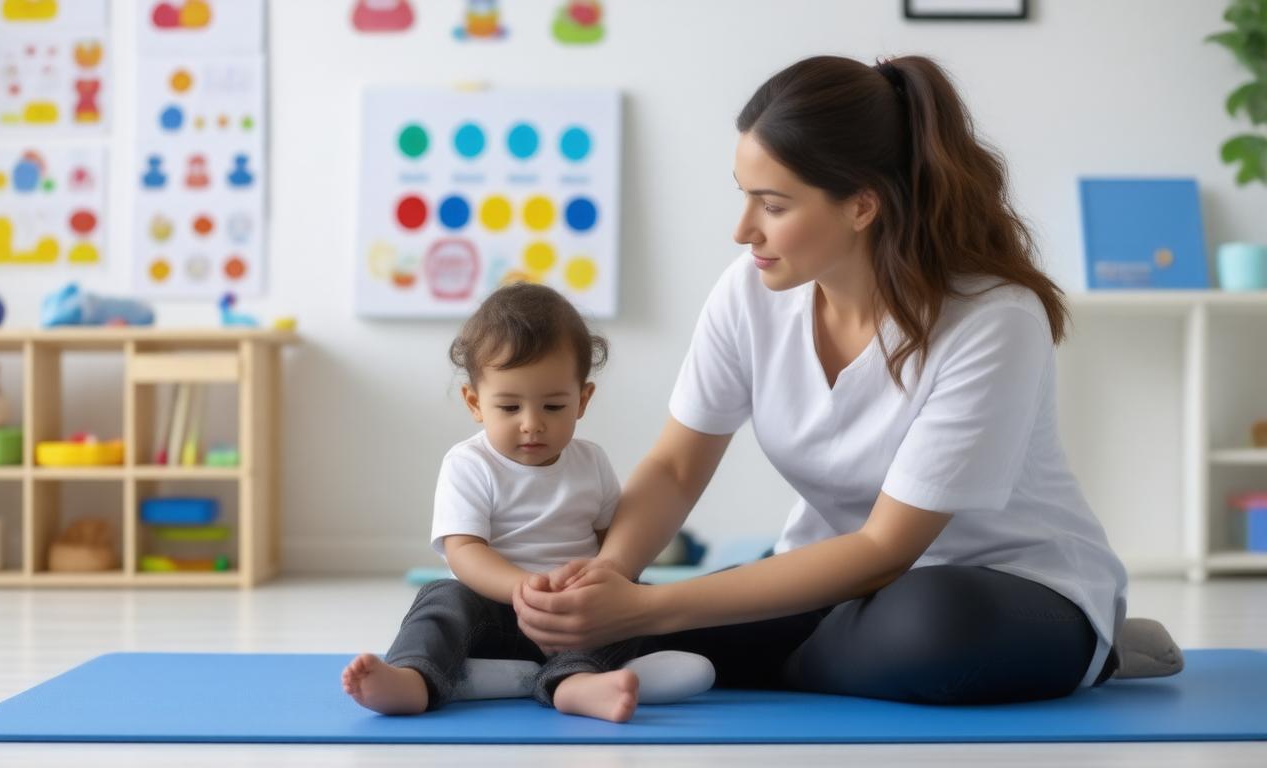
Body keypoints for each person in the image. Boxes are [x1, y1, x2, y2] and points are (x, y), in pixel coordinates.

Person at [510, 55, 1178, 705]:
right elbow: (678, 465)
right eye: (744, 196)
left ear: (862, 205)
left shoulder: (993, 319)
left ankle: (1104, 651)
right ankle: (792, 656)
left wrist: (650, 611)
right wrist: (611, 575)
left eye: (772, 204)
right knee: (611, 626)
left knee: (929, 626)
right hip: (838, 584)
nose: (743, 229)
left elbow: (888, 548)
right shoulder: (748, 292)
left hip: (1006, 590)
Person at [342, 282, 713, 722]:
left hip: (571, 617)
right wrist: (519, 588)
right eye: (510, 407)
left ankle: (572, 684)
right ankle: (413, 678)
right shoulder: (469, 464)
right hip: (492, 611)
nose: (532, 425)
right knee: (442, 599)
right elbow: (464, 551)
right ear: (475, 403)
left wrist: (606, 587)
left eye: (553, 407)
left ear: (583, 400)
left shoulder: (590, 462)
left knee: (628, 604)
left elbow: (613, 541)